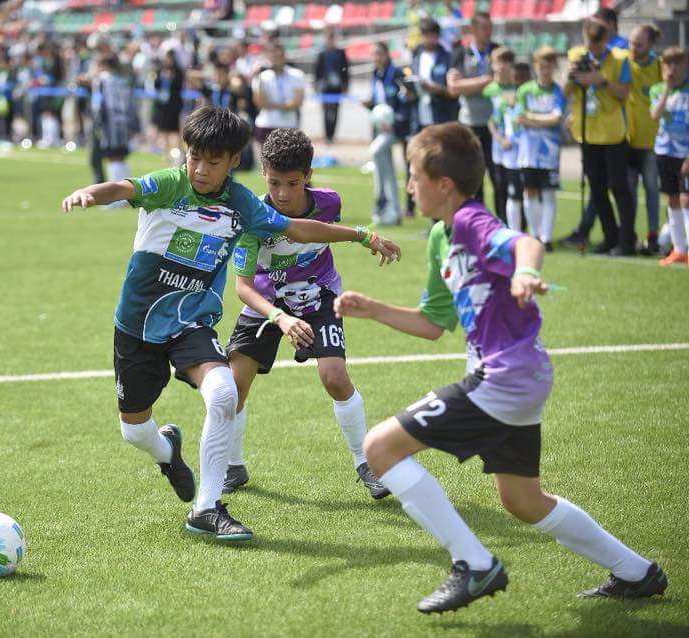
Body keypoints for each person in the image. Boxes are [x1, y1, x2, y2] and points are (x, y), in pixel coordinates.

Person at [334, 122, 668, 615]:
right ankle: (637, 572)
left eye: (413, 176)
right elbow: (432, 324)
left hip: (504, 378)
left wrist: (528, 272)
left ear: (443, 184)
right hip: (520, 378)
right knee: (523, 500)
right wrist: (375, 309)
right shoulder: (438, 238)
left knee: (379, 447)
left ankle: (473, 563)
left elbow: (524, 244)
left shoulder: (470, 220)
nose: (408, 186)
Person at [60, 106, 400, 542]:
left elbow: (298, 229)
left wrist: (361, 235)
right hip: (139, 325)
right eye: (193, 157)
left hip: (193, 322)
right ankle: (167, 452)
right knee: (134, 431)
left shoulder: (241, 204)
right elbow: (124, 187)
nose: (200, 169)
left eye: (213, 161)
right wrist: (91, 192)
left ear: (233, 162)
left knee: (224, 393)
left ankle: (206, 508)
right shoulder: (170, 184)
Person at [222, 128, 395, 497]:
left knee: (334, 377)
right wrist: (279, 318)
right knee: (233, 387)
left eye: (293, 183)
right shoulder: (252, 216)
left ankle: (367, 463)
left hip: (318, 295)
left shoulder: (329, 202)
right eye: (274, 183)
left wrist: (365, 237)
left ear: (309, 176)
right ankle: (233, 466)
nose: (282, 194)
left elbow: (317, 231)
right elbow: (243, 287)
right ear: (263, 172)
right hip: (267, 304)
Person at [564, 18, 635, 255]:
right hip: (587, 133)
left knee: (619, 188)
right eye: (589, 44)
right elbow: (566, 92)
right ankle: (609, 236)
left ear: (605, 39)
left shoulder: (619, 58)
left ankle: (626, 240)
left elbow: (624, 92)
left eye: (597, 45)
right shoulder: (575, 55)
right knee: (597, 190)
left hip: (614, 133)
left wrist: (601, 81)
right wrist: (570, 76)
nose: (592, 50)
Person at [517, 47, 566, 251]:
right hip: (528, 153)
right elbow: (521, 119)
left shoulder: (557, 91)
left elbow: (556, 118)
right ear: (536, 67)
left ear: (553, 67)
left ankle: (545, 238)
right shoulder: (525, 90)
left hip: (549, 153)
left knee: (548, 193)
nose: (544, 71)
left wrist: (533, 118)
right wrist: (543, 120)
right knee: (529, 192)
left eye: (548, 66)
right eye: (541, 66)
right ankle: (535, 235)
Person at [448, 12, 499, 207]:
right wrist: (484, 81)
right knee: (473, 180)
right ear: (473, 30)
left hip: (495, 125)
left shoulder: (497, 51)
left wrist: (467, 84)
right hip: (469, 125)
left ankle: (505, 225)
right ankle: (478, 225)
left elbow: (503, 81)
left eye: (490, 27)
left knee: (499, 179)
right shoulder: (460, 53)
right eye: (485, 28)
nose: (489, 32)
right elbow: (453, 88)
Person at [366, 42, 416, 218]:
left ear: (387, 54)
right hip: (382, 128)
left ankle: (392, 204)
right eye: (373, 54)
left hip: (398, 128)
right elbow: (378, 101)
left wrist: (395, 122)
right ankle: (387, 205)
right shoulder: (375, 74)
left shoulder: (397, 73)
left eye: (379, 53)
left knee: (378, 152)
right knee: (381, 159)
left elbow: (408, 99)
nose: (376, 58)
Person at [626, 24, 663, 255]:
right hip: (627, 140)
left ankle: (652, 235)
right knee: (628, 192)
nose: (633, 48)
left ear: (650, 45)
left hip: (651, 142)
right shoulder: (624, 63)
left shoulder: (659, 67)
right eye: (631, 42)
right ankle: (629, 235)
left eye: (639, 44)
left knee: (652, 189)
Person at [651, 47, 689, 267]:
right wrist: (666, 87)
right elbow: (655, 115)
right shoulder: (658, 89)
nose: (672, 68)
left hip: (685, 153)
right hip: (665, 151)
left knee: (686, 199)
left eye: (677, 63)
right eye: (668, 64)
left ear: (684, 65)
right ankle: (679, 249)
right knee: (673, 199)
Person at [487, 50, 524, 230]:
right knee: (499, 184)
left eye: (506, 62)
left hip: (518, 147)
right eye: (498, 62)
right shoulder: (489, 90)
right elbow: (490, 120)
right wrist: (499, 138)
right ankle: (501, 222)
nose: (502, 66)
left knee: (518, 186)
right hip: (498, 146)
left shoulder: (518, 89)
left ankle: (520, 225)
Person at [90, 54, 139, 186]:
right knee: (121, 158)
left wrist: (97, 123)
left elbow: (97, 104)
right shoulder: (123, 81)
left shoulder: (100, 80)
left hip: (110, 124)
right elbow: (131, 104)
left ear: (104, 66)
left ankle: (117, 198)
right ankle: (127, 194)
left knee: (112, 158)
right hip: (124, 124)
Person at [252, 42, 306, 148]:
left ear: (284, 56)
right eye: (273, 56)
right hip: (266, 124)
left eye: (279, 56)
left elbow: (297, 103)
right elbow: (260, 103)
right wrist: (258, 79)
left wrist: (273, 105)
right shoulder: (261, 77)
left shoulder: (297, 75)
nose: (276, 59)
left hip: (288, 125)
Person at [411, 20, 458, 134]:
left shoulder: (448, 57)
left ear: (438, 36)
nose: (429, 39)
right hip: (421, 114)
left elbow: (453, 90)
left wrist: (437, 89)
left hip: (442, 114)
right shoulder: (416, 57)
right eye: (426, 35)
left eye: (433, 35)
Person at [314, 30, 349, 144]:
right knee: (325, 111)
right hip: (325, 87)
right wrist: (316, 85)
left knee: (336, 111)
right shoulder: (322, 53)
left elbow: (345, 70)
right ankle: (327, 135)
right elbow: (317, 71)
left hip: (337, 87)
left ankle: (332, 135)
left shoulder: (340, 53)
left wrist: (346, 85)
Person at [151, 50, 185, 161]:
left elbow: (179, 87)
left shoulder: (178, 72)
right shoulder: (160, 70)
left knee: (175, 132)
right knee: (164, 131)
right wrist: (158, 77)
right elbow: (156, 85)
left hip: (174, 106)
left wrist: (171, 78)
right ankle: (167, 155)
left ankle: (178, 154)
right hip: (162, 106)